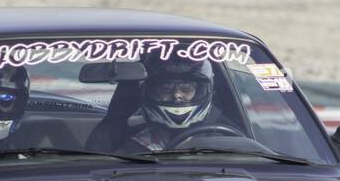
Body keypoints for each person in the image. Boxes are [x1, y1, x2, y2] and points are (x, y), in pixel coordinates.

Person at [93, 57, 234, 154]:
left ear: (202, 91)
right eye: (166, 88)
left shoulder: (226, 138)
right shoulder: (134, 148)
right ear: (151, 92)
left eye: (186, 88)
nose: (177, 95)